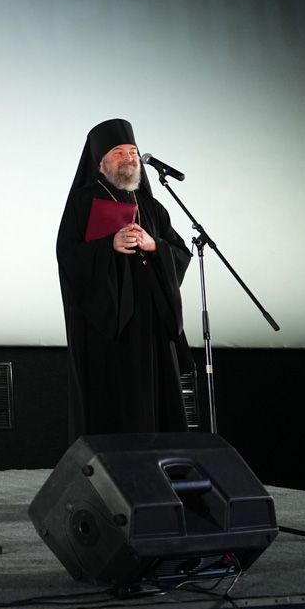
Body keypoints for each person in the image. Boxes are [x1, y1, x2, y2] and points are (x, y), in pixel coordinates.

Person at [56, 118, 194, 441]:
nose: (129, 159)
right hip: (108, 326)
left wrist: (154, 245)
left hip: (151, 322)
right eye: (118, 153)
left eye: (132, 152)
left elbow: (180, 252)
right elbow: (68, 255)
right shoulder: (83, 202)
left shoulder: (152, 206)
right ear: (100, 162)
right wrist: (109, 246)